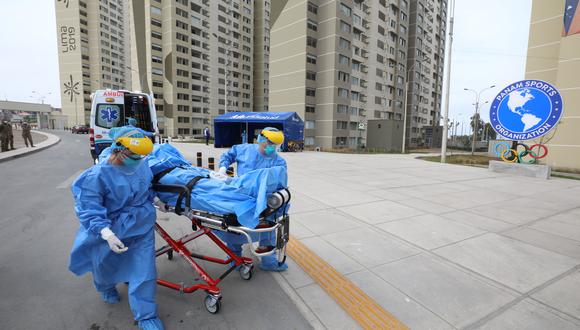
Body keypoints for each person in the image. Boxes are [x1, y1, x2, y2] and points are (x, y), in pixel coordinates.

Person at [68, 126, 165, 330]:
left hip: (142, 224)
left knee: (144, 271)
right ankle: (106, 287)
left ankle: (146, 316)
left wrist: (154, 198)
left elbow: (145, 187)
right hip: (111, 228)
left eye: (141, 156)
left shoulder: (140, 164)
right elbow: (88, 208)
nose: (139, 160)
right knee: (104, 266)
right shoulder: (97, 175)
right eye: (135, 155)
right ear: (118, 149)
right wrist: (106, 233)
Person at [215, 127, 288, 271]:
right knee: (235, 229)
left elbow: (281, 183)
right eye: (270, 143)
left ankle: (268, 261)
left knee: (268, 230)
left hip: (265, 202)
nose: (272, 148)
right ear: (260, 139)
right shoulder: (244, 150)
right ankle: (234, 258)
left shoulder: (279, 162)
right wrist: (223, 168)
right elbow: (228, 156)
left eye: (275, 145)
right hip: (242, 197)